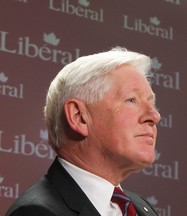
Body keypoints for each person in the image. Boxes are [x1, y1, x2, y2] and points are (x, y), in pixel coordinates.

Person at [6, 47, 161, 216]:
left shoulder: (142, 208)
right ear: (78, 117)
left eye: (151, 104)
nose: (154, 116)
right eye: (131, 100)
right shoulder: (36, 212)